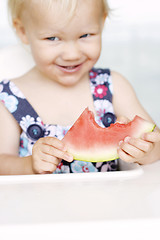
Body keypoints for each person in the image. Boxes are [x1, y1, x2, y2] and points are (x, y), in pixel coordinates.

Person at [0, 0, 160, 175]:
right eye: (52, 38)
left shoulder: (113, 86)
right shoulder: (9, 98)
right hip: (39, 202)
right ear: (22, 31)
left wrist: (146, 152)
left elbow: (155, 142)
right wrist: (29, 165)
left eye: (85, 35)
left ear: (102, 22)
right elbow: (2, 162)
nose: (72, 54)